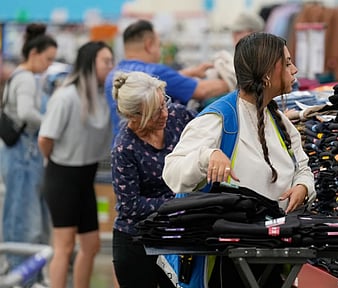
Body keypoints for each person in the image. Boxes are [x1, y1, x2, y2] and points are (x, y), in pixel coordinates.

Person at [162, 32, 315, 287]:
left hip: (270, 253)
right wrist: (207, 156)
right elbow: (172, 172)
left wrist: (303, 187)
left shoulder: (280, 122)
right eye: (287, 63)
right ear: (267, 72)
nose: (295, 69)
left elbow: (303, 167)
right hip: (224, 262)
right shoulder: (218, 119)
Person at [38, 41, 113, 288]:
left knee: (91, 245)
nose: (110, 67)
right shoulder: (66, 96)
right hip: (62, 176)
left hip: (85, 177)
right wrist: (54, 161)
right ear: (91, 63)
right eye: (106, 61)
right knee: (64, 246)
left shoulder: (102, 96)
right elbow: (45, 138)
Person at [110, 71, 196, 288]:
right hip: (136, 242)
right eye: (155, 113)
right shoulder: (125, 148)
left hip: (176, 235)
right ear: (134, 116)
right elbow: (131, 205)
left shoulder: (179, 117)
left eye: (164, 104)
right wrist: (179, 203)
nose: (165, 114)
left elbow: (210, 133)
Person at [105, 19, 230, 138]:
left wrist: (191, 72)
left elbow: (169, 81)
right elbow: (203, 90)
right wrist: (234, 78)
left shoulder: (114, 77)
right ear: (149, 45)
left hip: (124, 150)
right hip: (154, 151)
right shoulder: (155, 72)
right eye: (159, 45)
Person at [0, 23, 57, 284]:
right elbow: (25, 113)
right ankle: (20, 273)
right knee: (24, 217)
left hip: (24, 157)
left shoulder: (22, 76)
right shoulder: (24, 78)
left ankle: (23, 271)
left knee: (24, 212)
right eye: (48, 59)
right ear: (34, 54)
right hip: (22, 157)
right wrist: (50, 122)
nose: (48, 66)